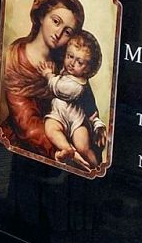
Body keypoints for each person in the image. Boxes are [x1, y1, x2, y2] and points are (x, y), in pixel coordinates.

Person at [0, 0, 84, 159]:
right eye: (56, 21)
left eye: (67, 32)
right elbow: (26, 124)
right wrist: (68, 149)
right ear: (42, 15)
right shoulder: (16, 57)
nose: (58, 34)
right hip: (23, 144)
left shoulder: (65, 66)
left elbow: (78, 107)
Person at [40, 29, 106, 171]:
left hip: (76, 120)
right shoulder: (65, 71)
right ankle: (67, 149)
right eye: (70, 56)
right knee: (51, 129)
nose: (72, 63)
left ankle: (97, 167)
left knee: (83, 146)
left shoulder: (79, 85)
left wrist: (48, 76)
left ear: (87, 69)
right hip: (58, 114)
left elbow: (59, 88)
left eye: (79, 62)